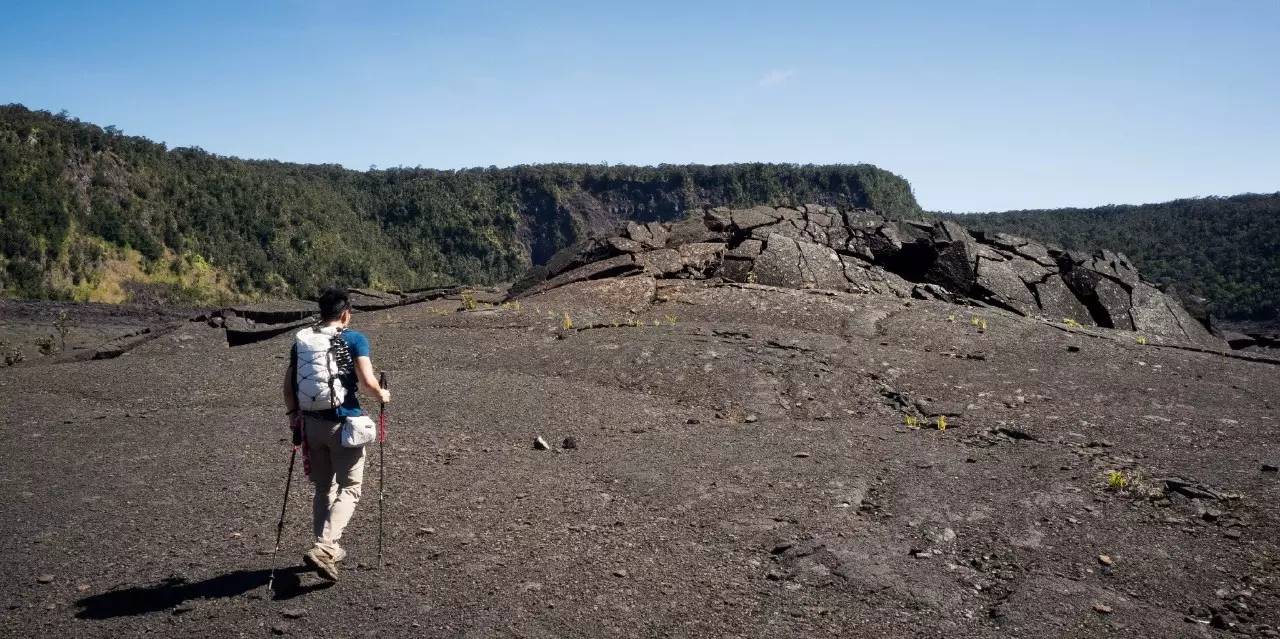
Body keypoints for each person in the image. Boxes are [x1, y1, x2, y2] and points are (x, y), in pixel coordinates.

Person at [282, 287, 390, 582]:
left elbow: (288, 387)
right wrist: (383, 395)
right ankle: (326, 547)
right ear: (345, 313)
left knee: (323, 488)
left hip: (311, 425)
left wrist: (294, 419)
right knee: (351, 488)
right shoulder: (354, 339)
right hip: (344, 425)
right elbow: (367, 383)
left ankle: (324, 546)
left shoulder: (303, 340)